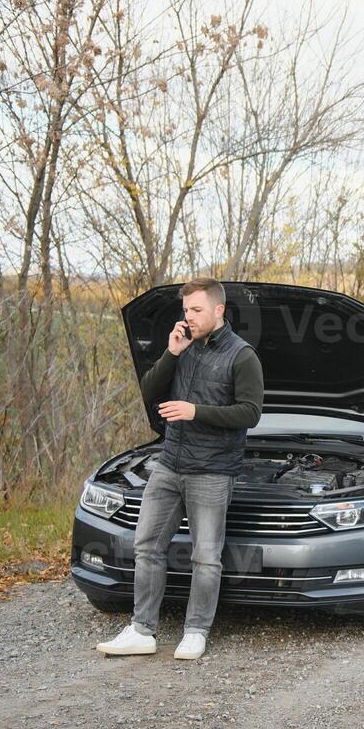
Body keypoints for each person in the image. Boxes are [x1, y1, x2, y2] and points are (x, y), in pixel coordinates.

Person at [96, 277, 264, 660]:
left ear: (219, 310)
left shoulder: (242, 356)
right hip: (169, 464)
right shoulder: (182, 345)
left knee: (205, 555)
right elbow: (150, 392)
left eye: (197, 310)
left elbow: (250, 413)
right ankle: (142, 630)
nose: (189, 317)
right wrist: (171, 354)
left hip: (213, 470)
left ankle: (196, 631)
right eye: (186, 310)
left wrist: (194, 411)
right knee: (147, 546)